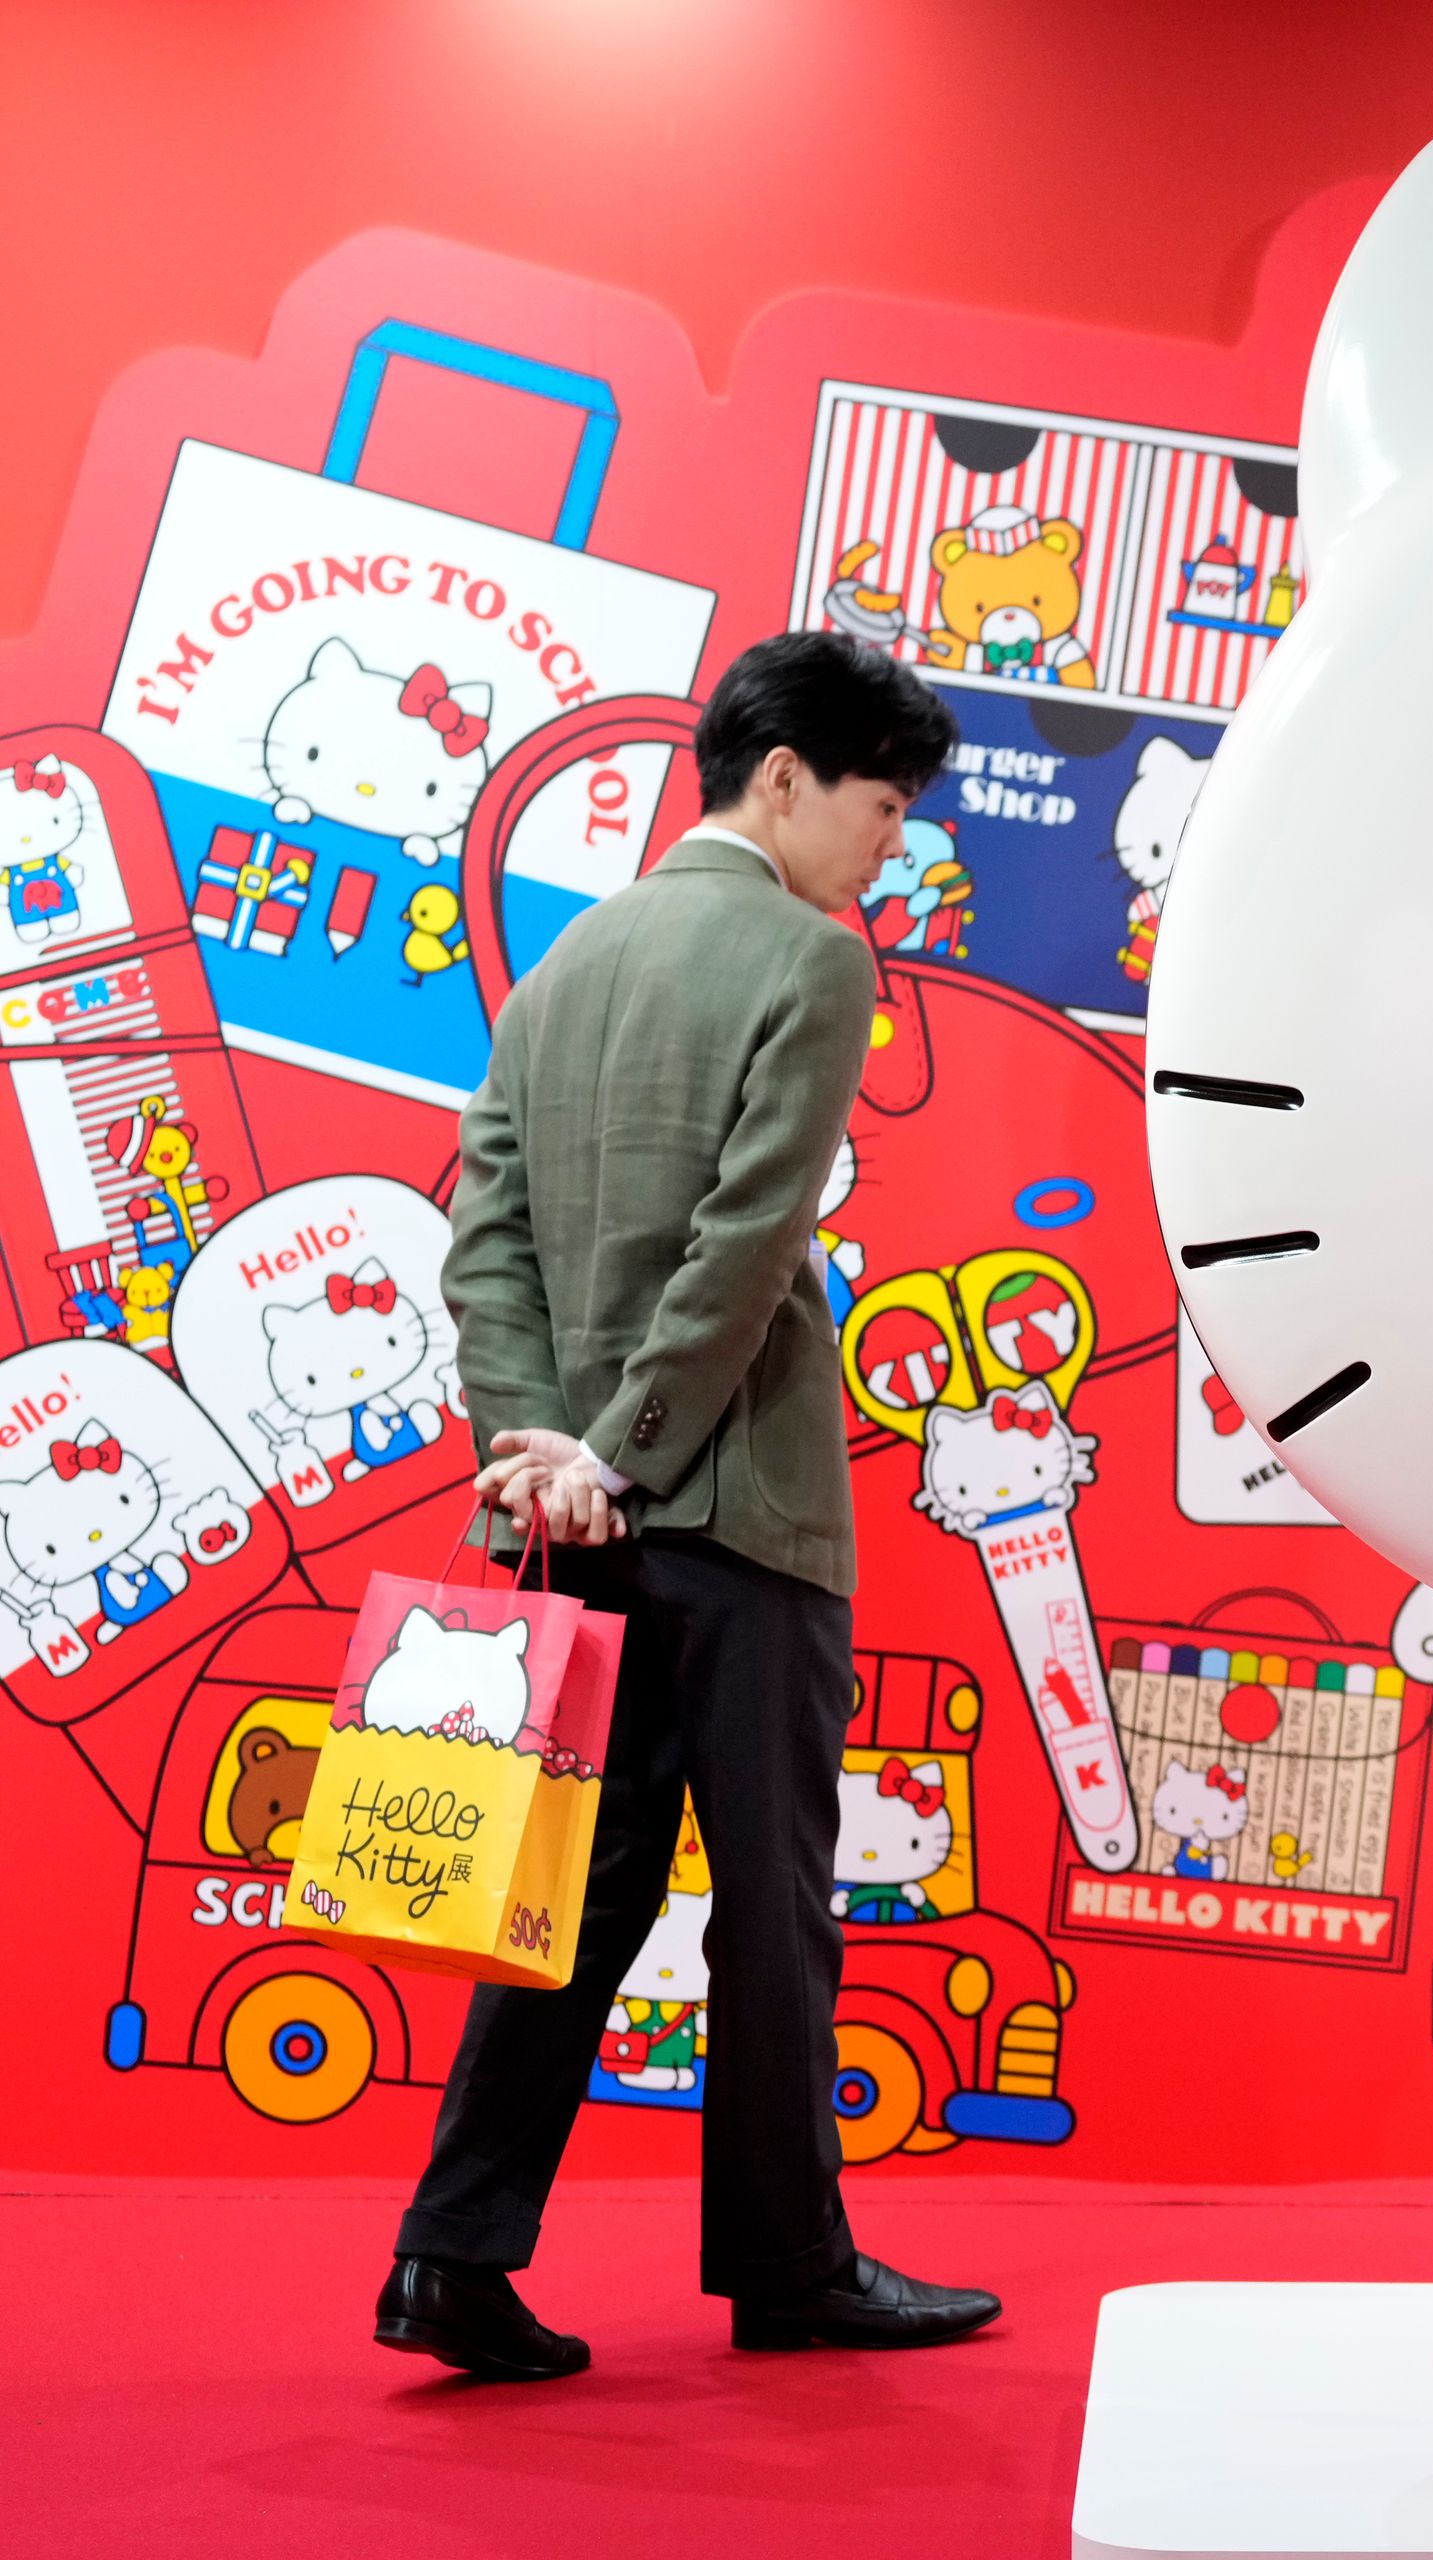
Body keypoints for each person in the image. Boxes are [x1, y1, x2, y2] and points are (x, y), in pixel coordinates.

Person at [375, 633, 997, 2379]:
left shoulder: (568, 958)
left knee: (563, 1900)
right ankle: (792, 2269)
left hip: (571, 1524)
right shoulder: (812, 957)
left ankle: (449, 2258)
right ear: (784, 776)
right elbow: (745, 1245)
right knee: (776, 1898)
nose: (894, 846)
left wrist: (537, 1450)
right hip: (734, 1508)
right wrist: (629, 1451)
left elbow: (482, 1233)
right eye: (882, 806)